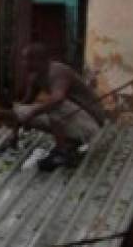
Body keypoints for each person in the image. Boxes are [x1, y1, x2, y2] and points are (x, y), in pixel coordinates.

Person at [13, 43, 108, 171]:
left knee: (55, 105)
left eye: (26, 59)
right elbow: (25, 104)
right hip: (73, 120)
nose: (23, 63)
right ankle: (70, 141)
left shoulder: (57, 71)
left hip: (91, 123)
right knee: (20, 111)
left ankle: (61, 152)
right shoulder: (34, 77)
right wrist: (14, 134)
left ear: (38, 60)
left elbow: (58, 99)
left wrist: (33, 112)